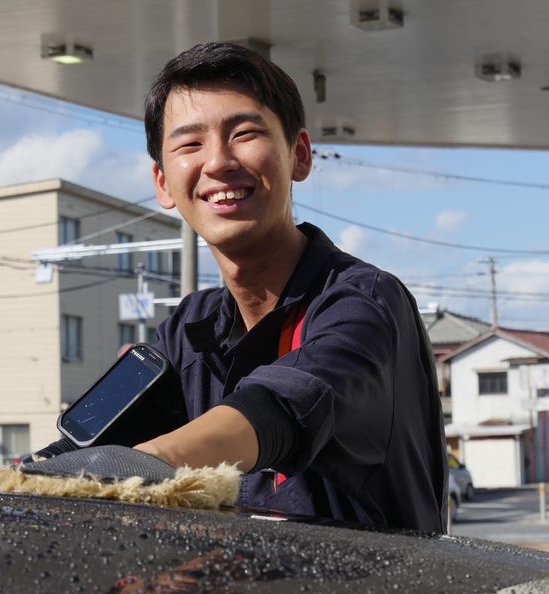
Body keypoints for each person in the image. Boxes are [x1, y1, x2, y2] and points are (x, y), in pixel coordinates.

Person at [129, 41, 447, 532]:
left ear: (299, 155)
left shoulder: (361, 302)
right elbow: (81, 446)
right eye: (190, 144)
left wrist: (141, 465)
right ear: (163, 183)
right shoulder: (188, 328)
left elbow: (279, 410)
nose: (217, 162)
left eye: (245, 133)